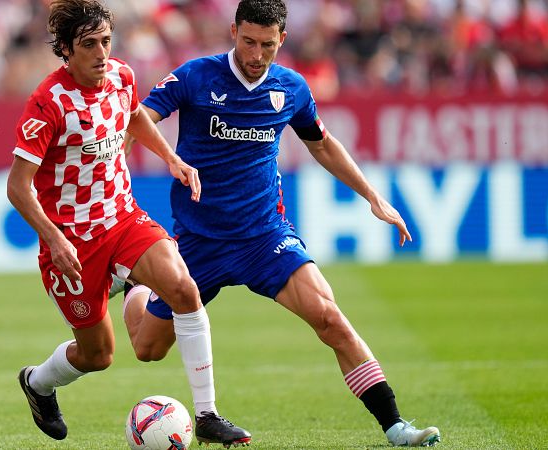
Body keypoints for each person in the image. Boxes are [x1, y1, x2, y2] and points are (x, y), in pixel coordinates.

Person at [122, 0, 440, 446]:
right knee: (147, 349)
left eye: (267, 45)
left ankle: (396, 426)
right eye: (248, 41)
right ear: (233, 31)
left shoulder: (291, 88)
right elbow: (137, 120)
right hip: (200, 242)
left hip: (264, 237)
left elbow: (322, 145)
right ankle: (136, 288)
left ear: (282, 40)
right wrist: (162, 160)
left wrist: (372, 196)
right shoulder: (195, 76)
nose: (256, 55)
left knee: (330, 317)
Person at [6, 0, 250, 445]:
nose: (101, 53)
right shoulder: (47, 103)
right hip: (73, 243)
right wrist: (53, 238)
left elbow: (134, 116)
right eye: (88, 45)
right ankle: (38, 383)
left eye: (105, 41)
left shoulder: (120, 75)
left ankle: (208, 414)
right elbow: (17, 187)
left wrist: (171, 158)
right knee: (98, 356)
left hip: (122, 217)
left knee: (183, 288)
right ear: (64, 48)